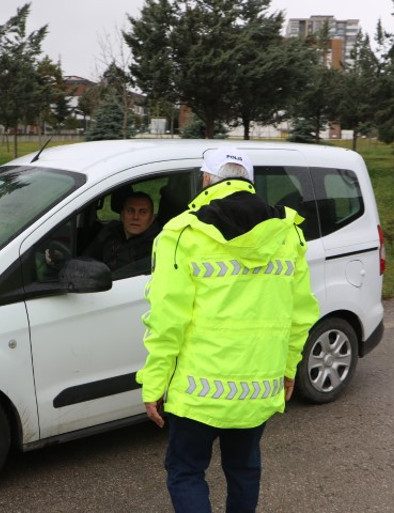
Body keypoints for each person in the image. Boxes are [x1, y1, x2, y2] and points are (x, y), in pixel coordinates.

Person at [135, 147, 320, 513]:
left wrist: (154, 384)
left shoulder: (183, 233)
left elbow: (167, 320)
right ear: (249, 182)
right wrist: (287, 369)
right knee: (244, 469)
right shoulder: (288, 233)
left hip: (197, 393)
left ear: (206, 180)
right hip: (258, 388)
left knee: (186, 471)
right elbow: (300, 315)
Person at [82, 191, 160, 275]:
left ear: (152, 218)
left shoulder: (156, 246)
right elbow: (86, 259)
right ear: (122, 215)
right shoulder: (110, 231)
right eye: (130, 211)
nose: (136, 217)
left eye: (143, 212)